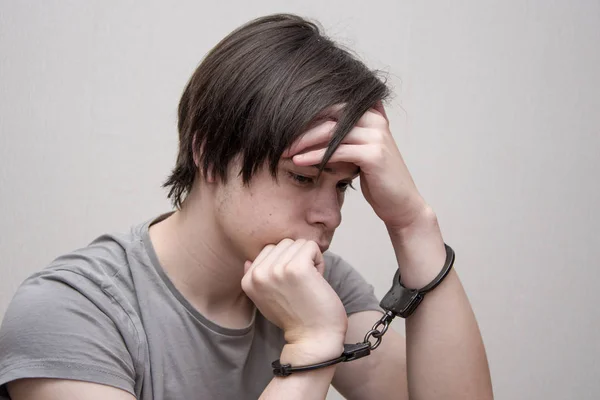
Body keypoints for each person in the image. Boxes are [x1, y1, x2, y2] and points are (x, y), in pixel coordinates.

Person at [0, 13, 493, 400]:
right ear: (209, 153)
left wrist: (412, 224)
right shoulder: (72, 311)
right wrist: (311, 345)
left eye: (343, 186)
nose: (331, 215)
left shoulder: (319, 284)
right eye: (303, 177)